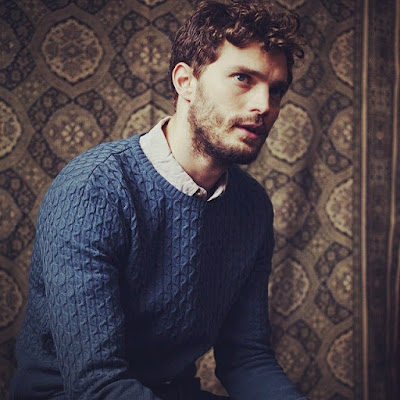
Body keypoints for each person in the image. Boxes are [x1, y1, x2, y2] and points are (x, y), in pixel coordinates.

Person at [10, 0, 307, 399]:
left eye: (276, 89)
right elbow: (97, 383)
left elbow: (246, 357)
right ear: (186, 82)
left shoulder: (252, 207)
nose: (264, 106)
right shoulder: (93, 190)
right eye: (242, 78)